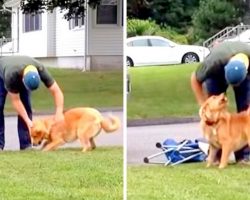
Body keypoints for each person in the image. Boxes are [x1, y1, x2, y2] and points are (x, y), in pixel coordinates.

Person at [191, 41, 250, 163]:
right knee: (214, 111)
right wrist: (203, 103)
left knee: (245, 110)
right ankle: (216, 155)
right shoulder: (214, 63)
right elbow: (194, 79)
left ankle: (244, 156)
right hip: (216, 74)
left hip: (245, 76)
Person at [0, 55, 64, 150]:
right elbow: (15, 100)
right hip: (2, 73)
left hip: (20, 70)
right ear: (23, 79)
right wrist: (27, 120)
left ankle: (26, 145)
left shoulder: (41, 69)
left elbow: (56, 91)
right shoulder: (11, 75)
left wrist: (59, 112)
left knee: (26, 106)